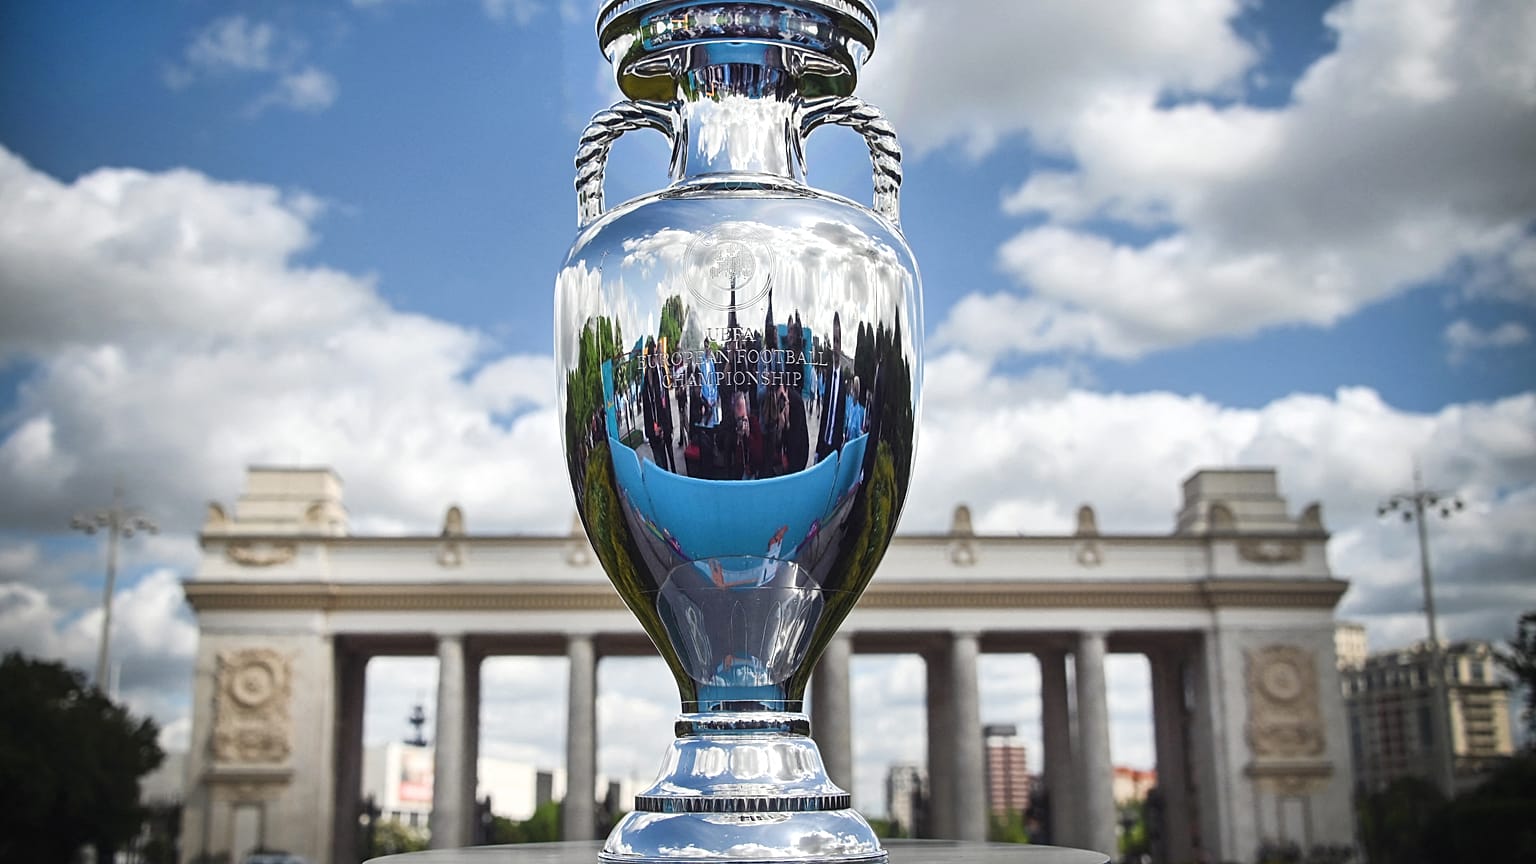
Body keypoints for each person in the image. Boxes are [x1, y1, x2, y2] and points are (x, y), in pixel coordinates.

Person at [815, 313, 846, 463]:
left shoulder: (843, 382)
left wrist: (839, 452)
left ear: (841, 345)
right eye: (833, 341)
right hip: (823, 446)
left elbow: (840, 418)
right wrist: (817, 449)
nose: (835, 346)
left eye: (837, 341)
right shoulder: (828, 376)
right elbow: (825, 414)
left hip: (834, 449)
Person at [641, 336, 675, 472]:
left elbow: (665, 402)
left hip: (664, 425)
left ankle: (673, 474)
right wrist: (653, 430)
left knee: (671, 457)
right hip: (654, 430)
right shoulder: (647, 382)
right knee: (661, 464)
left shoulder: (660, 374)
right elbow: (648, 410)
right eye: (654, 355)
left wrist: (669, 426)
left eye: (658, 355)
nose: (657, 358)